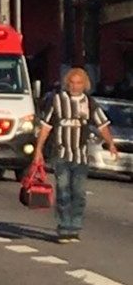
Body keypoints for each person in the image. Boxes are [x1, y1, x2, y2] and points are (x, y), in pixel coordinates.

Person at [33, 68, 118, 244]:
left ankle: (75, 227)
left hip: (80, 156)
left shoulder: (90, 103)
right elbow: (46, 127)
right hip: (61, 154)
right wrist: (38, 150)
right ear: (67, 83)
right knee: (63, 191)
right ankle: (64, 227)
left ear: (85, 84)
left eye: (79, 83)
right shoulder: (57, 101)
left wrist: (110, 144)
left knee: (78, 193)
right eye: (72, 82)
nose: (75, 86)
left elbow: (102, 125)